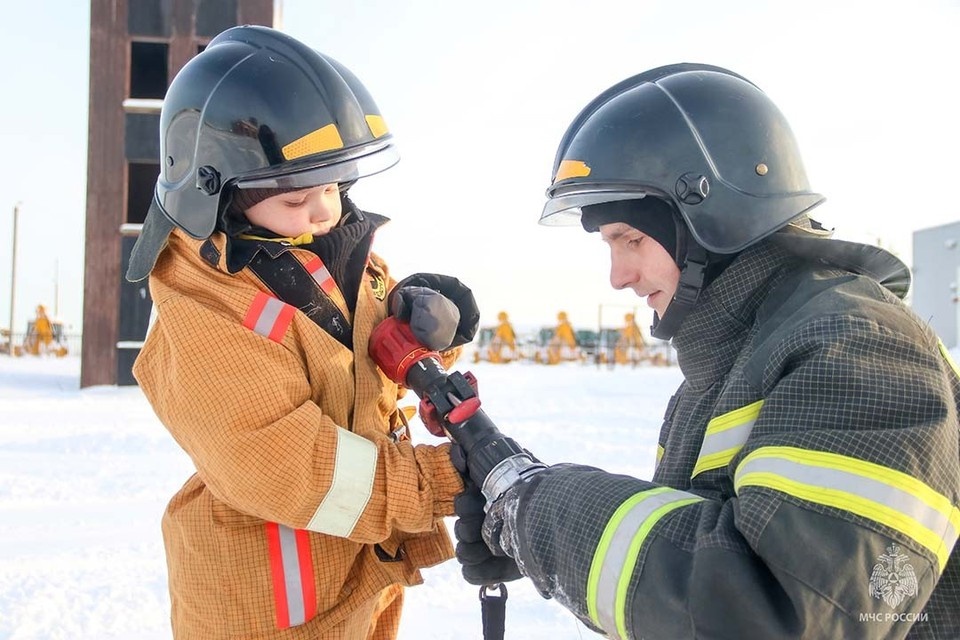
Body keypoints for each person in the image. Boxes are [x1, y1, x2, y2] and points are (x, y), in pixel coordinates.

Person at [446, 64, 960, 639]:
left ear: (710, 217)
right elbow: (697, 550)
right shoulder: (726, 368)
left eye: (631, 239)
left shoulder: (860, 349)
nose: (618, 276)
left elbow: (777, 616)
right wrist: (527, 533)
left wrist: (537, 511)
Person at [126, 26, 479, 639]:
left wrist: (436, 322)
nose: (323, 213)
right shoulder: (202, 304)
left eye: (334, 188)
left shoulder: (329, 248)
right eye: (297, 201)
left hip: (358, 571)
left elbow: (363, 344)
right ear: (222, 193)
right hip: (267, 605)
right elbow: (288, 462)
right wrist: (439, 480)